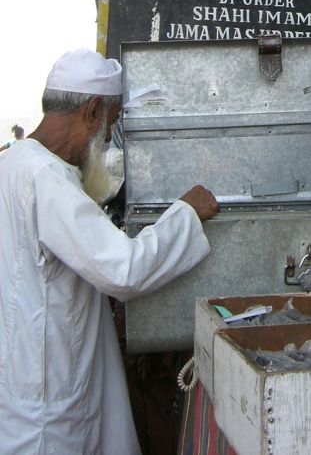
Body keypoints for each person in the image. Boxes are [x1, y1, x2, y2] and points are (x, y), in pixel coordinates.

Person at [0, 48, 219, 455]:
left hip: (26, 387)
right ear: (93, 110)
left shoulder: (14, 164)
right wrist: (187, 214)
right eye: (109, 125)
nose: (105, 139)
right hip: (48, 409)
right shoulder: (45, 177)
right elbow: (123, 270)